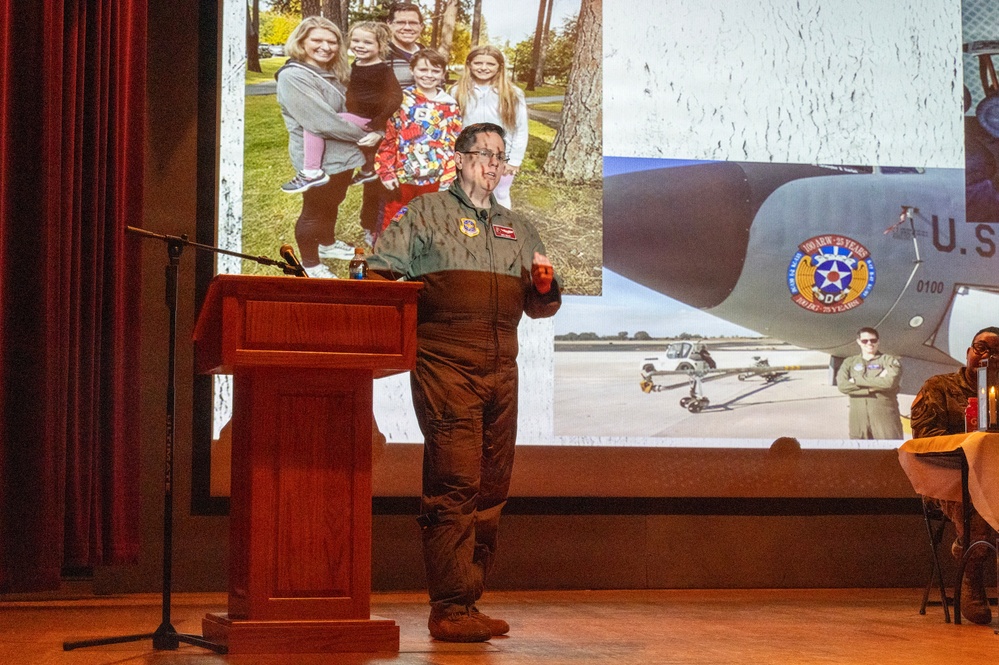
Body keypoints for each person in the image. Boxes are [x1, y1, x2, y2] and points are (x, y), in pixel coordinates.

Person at [366, 123, 561, 642]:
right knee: (454, 483)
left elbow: (541, 306)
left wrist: (544, 288)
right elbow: (380, 274)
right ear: (458, 158)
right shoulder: (424, 212)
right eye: (483, 153)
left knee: (492, 487)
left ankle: (469, 601)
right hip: (445, 363)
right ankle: (448, 607)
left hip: (503, 369)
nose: (492, 164)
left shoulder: (519, 227)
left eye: (500, 156)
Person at [275, 17, 381, 275]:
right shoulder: (294, 76)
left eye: (332, 41)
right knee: (314, 209)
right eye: (317, 40)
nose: (325, 47)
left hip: (343, 155)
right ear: (301, 42)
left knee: (333, 201)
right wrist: (369, 133)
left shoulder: (334, 74)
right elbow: (322, 122)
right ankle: (311, 264)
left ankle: (327, 244)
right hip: (318, 160)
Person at [911, 326, 999, 625]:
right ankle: (971, 577)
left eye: (996, 352)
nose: (987, 356)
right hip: (950, 479)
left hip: (996, 479)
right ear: (969, 352)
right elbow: (925, 439)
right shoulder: (939, 387)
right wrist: (972, 443)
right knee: (976, 508)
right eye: (981, 348)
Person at [358, 2, 427, 243]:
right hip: (385, 129)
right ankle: (372, 227)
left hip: (420, 133)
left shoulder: (426, 54)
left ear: (421, 26)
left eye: (413, 23)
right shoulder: (379, 53)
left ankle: (410, 226)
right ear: (389, 24)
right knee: (379, 181)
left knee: (413, 179)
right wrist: (378, 127)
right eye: (401, 22)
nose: (407, 27)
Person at [375, 48, 462, 237]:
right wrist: (386, 171)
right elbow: (389, 138)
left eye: (435, 71)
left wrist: (449, 175)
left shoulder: (450, 104)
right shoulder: (400, 100)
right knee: (395, 220)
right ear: (412, 70)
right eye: (423, 69)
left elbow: (453, 141)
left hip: (434, 177)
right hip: (402, 176)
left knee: (427, 220)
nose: (429, 75)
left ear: (443, 74)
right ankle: (390, 252)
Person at [450, 45, 528, 209]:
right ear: (469, 64)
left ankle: (499, 223)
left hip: (501, 155)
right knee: (467, 192)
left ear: (499, 66)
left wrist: (514, 160)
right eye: (478, 63)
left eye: (490, 64)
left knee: (500, 193)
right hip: (469, 154)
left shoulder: (512, 93)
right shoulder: (457, 91)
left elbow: (520, 129)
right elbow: (451, 126)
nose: (483, 68)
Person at [836, 327, 904, 439]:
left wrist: (857, 380)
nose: (869, 343)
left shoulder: (889, 361)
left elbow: (889, 383)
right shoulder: (849, 362)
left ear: (878, 341)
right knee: (859, 449)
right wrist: (872, 388)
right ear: (858, 342)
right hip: (858, 419)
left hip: (885, 418)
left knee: (890, 448)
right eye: (865, 341)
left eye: (873, 340)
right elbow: (842, 386)